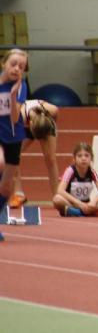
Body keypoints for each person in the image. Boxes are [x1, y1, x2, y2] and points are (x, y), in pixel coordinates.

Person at [8, 98, 60, 207]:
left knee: (51, 159)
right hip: (23, 127)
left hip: (46, 125)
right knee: (13, 156)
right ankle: (19, 194)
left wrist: (50, 125)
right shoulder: (19, 117)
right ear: (30, 124)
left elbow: (56, 114)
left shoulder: (52, 110)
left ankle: (57, 196)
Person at [0, 49, 29, 240]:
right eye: (13, 64)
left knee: (6, 188)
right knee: (0, 163)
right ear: (4, 63)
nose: (17, 69)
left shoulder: (20, 87)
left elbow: (16, 117)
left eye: (21, 67)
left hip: (13, 137)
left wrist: (12, 96)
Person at [52, 142, 98, 217]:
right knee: (57, 199)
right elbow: (60, 190)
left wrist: (94, 202)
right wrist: (78, 203)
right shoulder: (70, 171)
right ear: (74, 159)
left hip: (87, 204)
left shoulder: (92, 172)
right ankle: (84, 212)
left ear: (91, 158)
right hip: (73, 203)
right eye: (79, 156)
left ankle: (78, 212)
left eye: (86, 156)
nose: (83, 158)